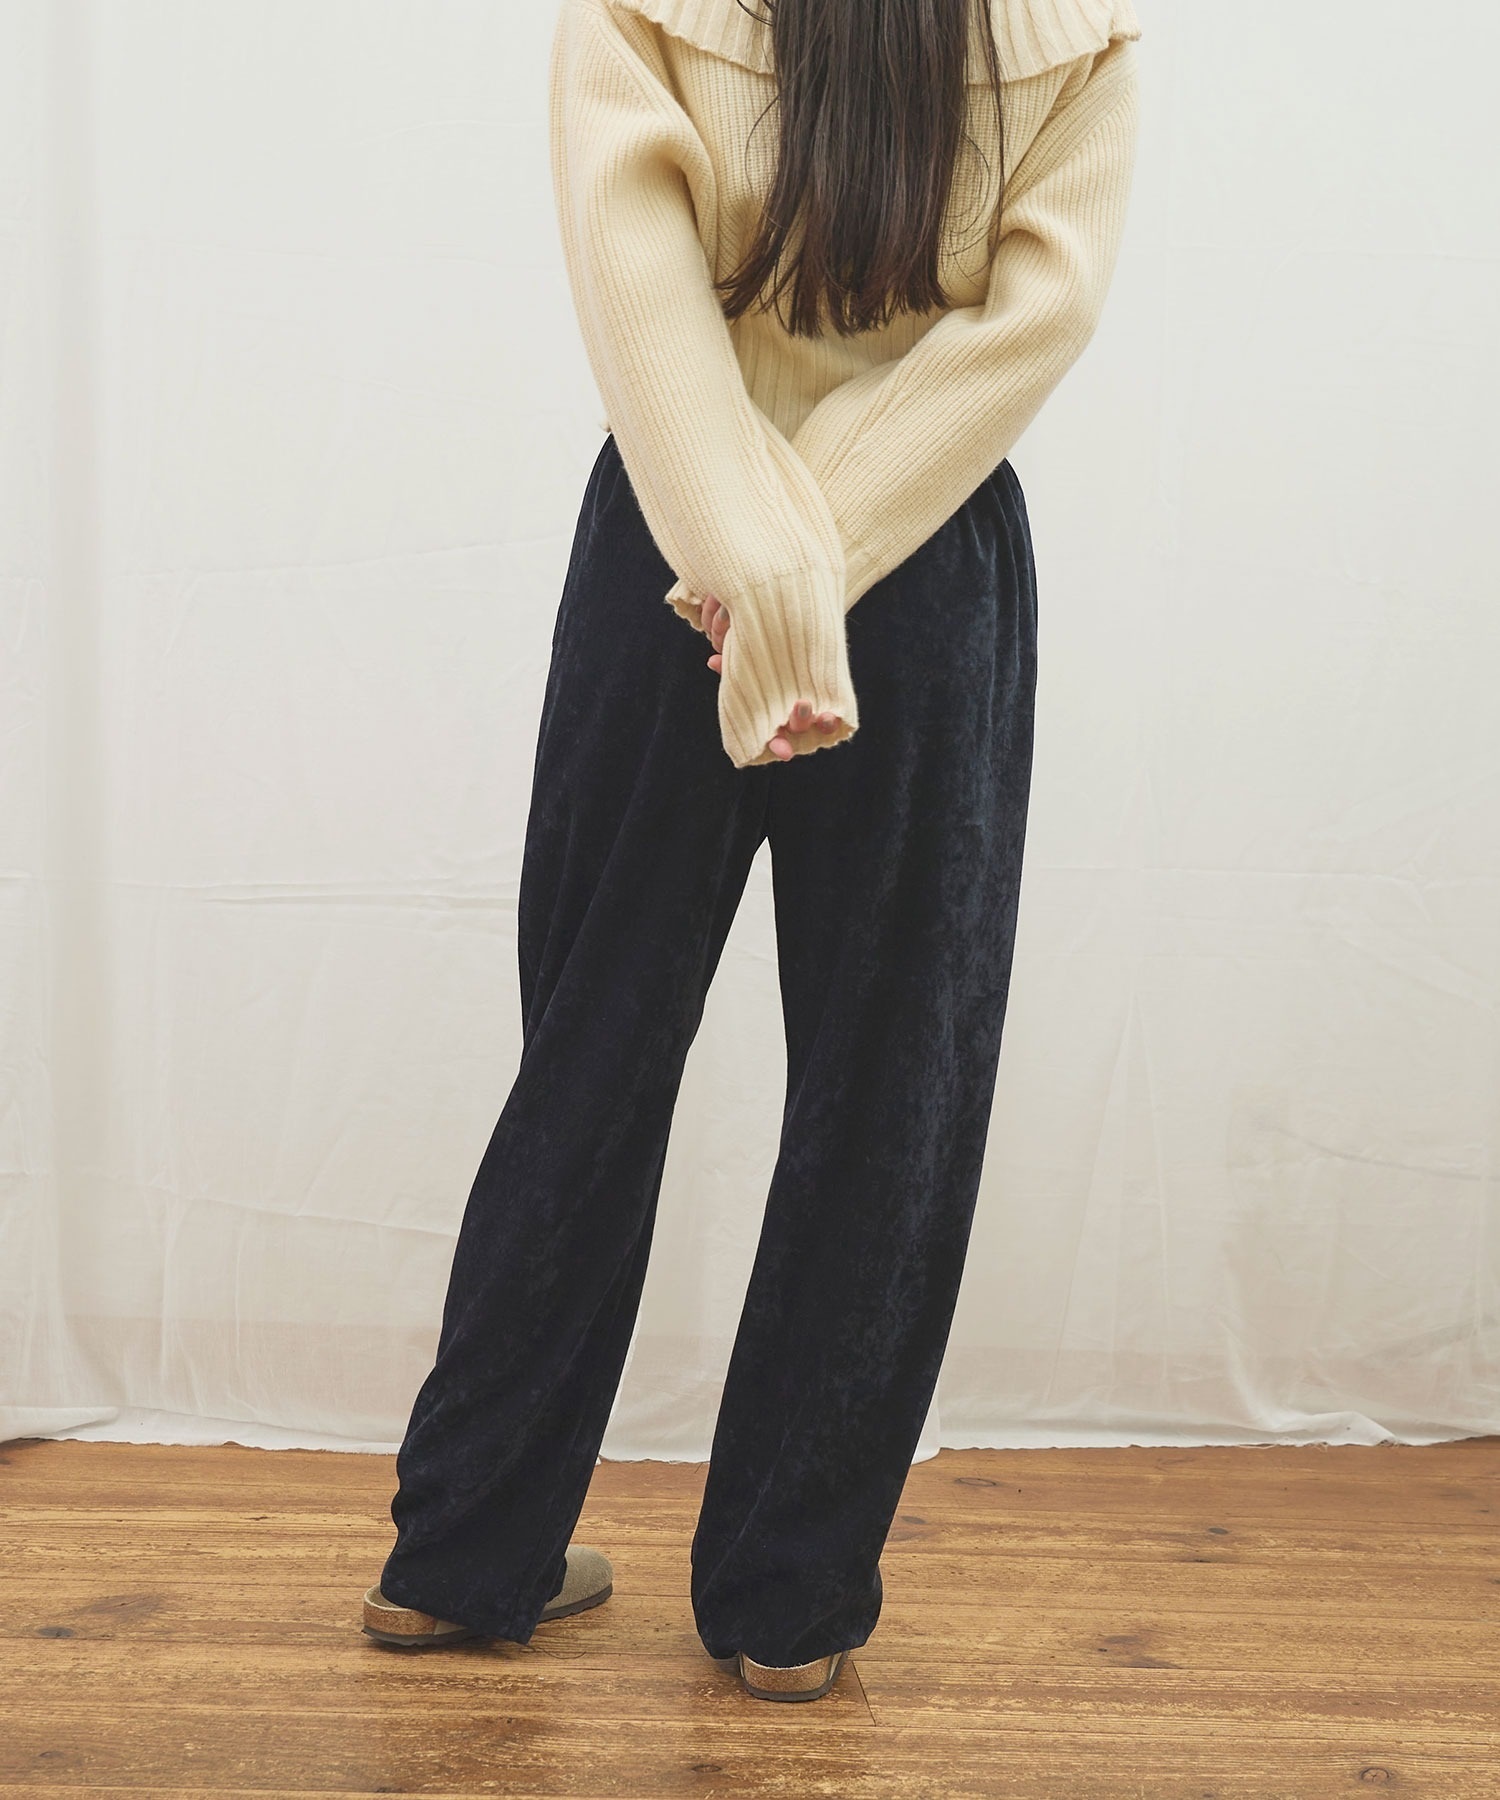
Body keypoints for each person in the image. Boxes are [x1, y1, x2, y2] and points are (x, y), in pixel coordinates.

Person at [360, 0, 1142, 1704]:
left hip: (672, 557)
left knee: (591, 1050)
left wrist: (751, 562)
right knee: (891, 1092)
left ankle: (463, 1553)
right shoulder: (1075, 26)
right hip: (923, 570)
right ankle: (788, 1602)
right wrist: (821, 561)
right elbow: (1035, 314)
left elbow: (636, 280)